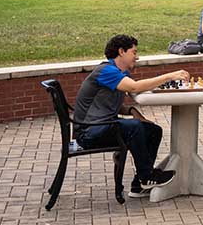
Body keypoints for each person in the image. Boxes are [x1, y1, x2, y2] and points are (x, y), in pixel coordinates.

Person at [74, 34, 190, 198]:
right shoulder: (106, 71)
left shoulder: (118, 73)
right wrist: (169, 76)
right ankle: (147, 175)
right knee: (134, 127)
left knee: (152, 130)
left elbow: (108, 103)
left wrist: (131, 111)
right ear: (121, 51)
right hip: (88, 133)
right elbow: (135, 88)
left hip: (102, 126)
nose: (137, 56)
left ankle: (139, 185)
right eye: (134, 52)